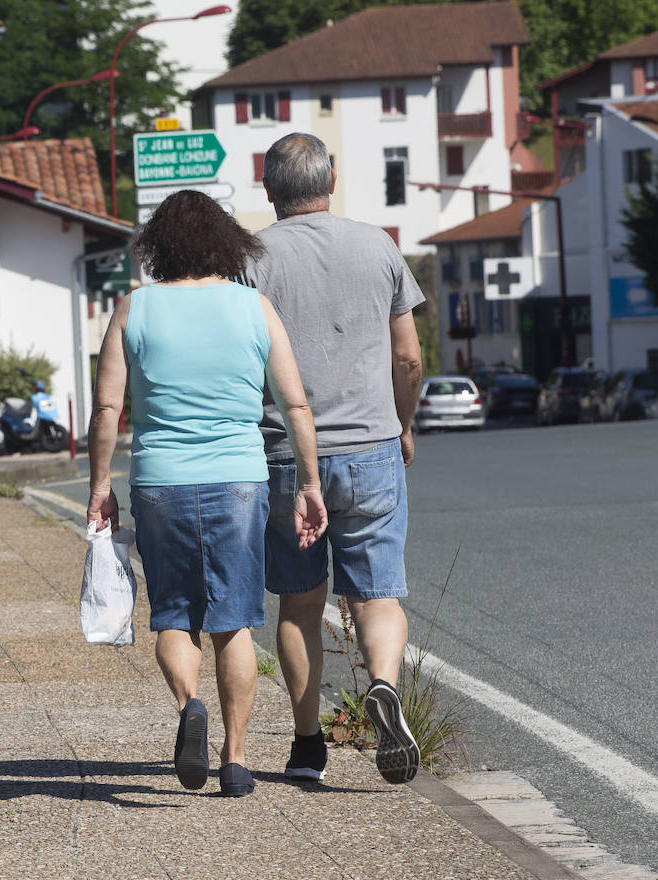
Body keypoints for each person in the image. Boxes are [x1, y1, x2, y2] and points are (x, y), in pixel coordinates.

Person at [87, 190, 327, 796]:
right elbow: (295, 403)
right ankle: (236, 760)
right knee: (235, 624)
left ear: (157, 247)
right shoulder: (254, 307)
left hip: (160, 479)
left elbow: (107, 408)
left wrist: (100, 487)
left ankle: (190, 703)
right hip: (238, 478)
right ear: (227, 242)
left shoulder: (132, 309)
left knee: (174, 614)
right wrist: (309, 482)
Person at [242, 132, 425, 785]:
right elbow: (408, 355)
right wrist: (403, 424)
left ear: (269, 189)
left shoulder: (251, 258)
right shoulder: (377, 243)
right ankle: (382, 684)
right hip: (373, 446)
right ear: (334, 178)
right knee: (377, 597)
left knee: (297, 602)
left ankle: (306, 745)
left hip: (287, 455)